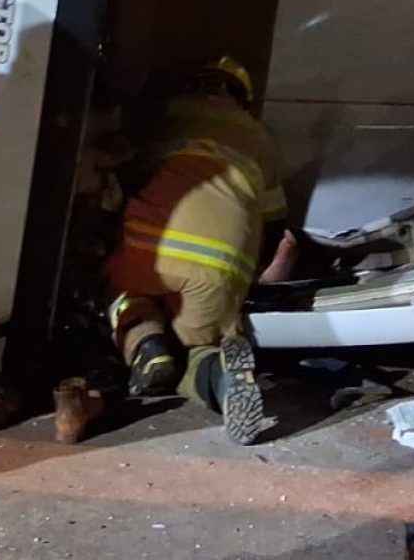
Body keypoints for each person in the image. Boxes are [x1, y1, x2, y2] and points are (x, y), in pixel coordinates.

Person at [104, 57, 287, 444]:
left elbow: (119, 170)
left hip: (150, 249)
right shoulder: (262, 139)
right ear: (244, 98)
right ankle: (218, 376)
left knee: (119, 291)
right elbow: (275, 222)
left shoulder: (165, 114)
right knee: (198, 346)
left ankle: (147, 347)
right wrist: (247, 282)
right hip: (222, 267)